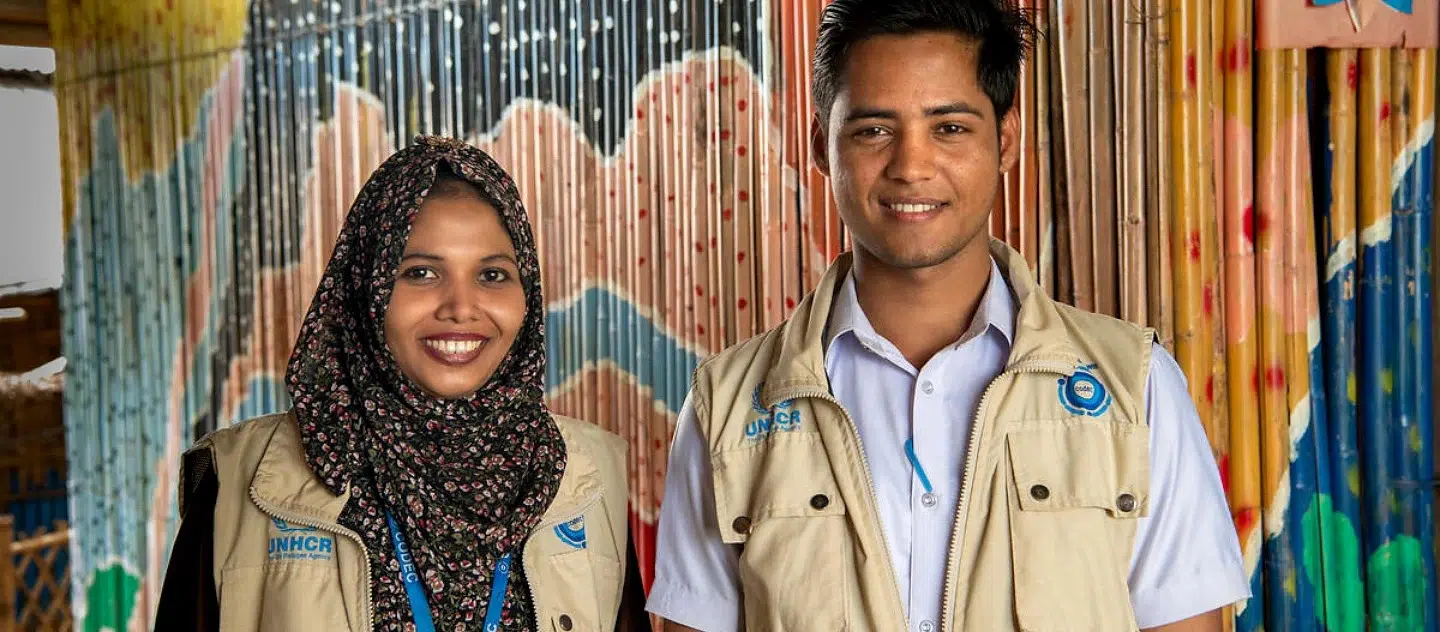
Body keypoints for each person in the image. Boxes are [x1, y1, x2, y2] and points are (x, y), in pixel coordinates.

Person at [644, 1, 1249, 631]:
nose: (911, 166)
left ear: (1004, 140)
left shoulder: (1134, 387)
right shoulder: (730, 406)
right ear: (821, 145)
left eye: (950, 128)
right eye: (874, 130)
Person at [154, 136, 650, 631]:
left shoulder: (588, 476)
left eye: (493, 275)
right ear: (366, 287)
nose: (461, 307)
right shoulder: (243, 478)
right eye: (420, 272)